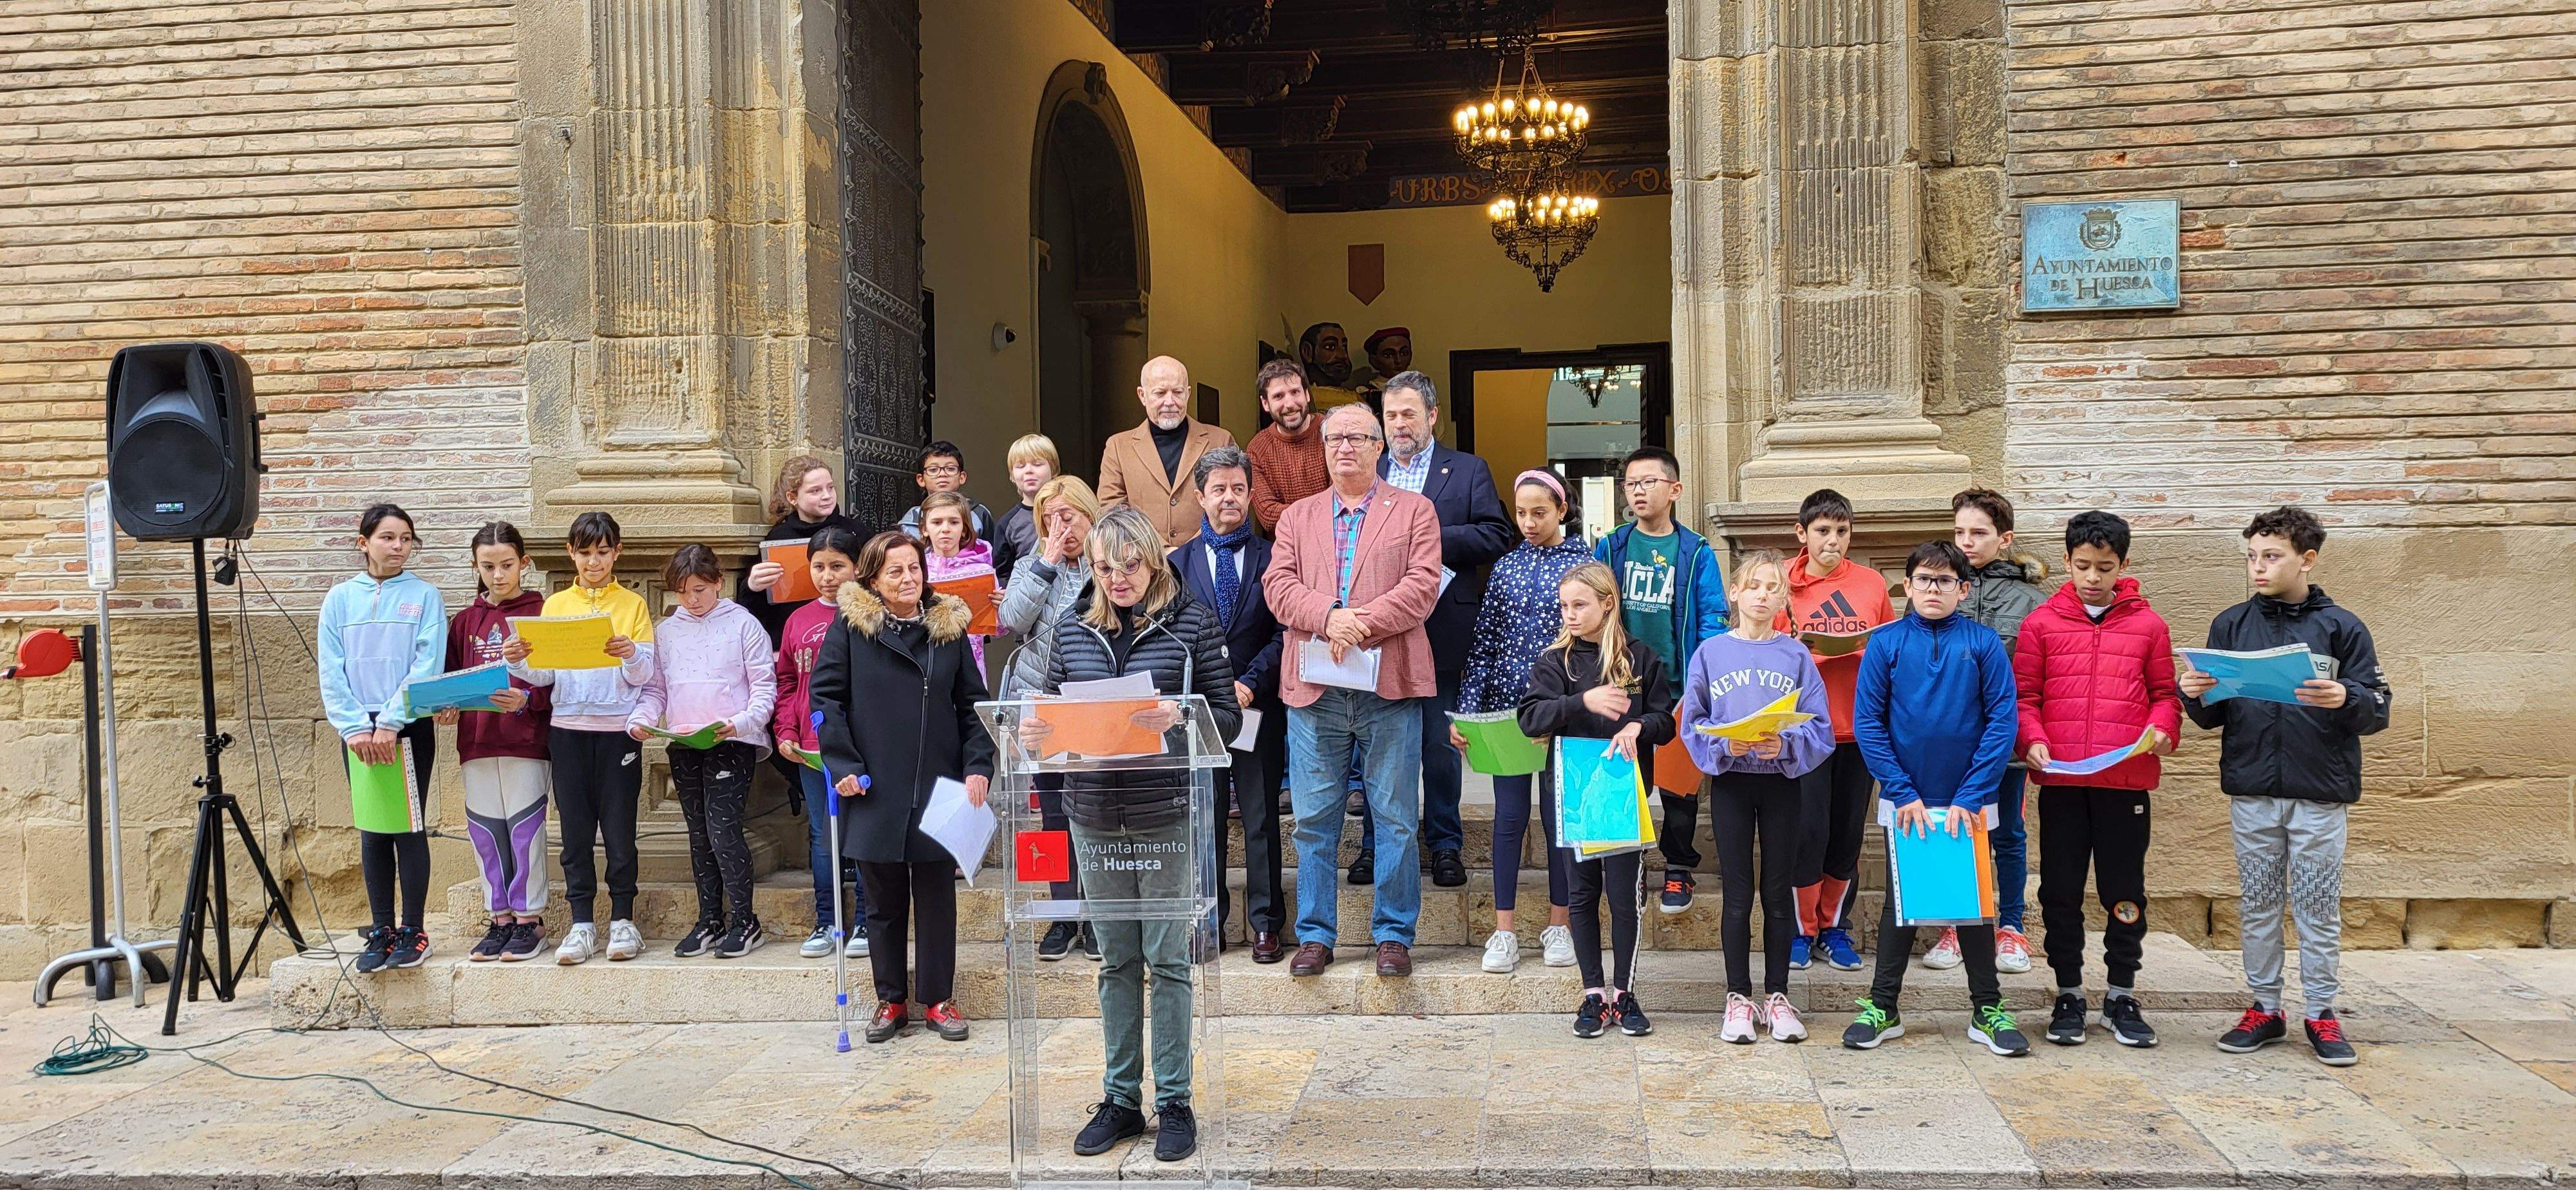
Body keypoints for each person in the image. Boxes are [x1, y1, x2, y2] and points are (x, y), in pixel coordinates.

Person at [1025, 506, 1241, 1165]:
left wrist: (1182, 716)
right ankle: (1120, 1099)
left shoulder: (1191, 625)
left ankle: (1174, 1101)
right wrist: (1035, 732)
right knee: (1115, 960)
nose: (1117, 579)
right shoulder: (1071, 628)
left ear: (1152, 560)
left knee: (1168, 960)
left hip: (1165, 811)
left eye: (1129, 566)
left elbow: (1227, 718)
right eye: (1103, 568)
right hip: (1093, 814)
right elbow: (1047, 715)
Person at [2183, 505, 2391, 1068]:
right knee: (2258, 903)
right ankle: (2265, 1008)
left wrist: (2347, 697)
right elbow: (2213, 715)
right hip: (2252, 790)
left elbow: (2378, 707)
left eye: (2272, 556)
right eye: (2252, 556)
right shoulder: (2231, 625)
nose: (2258, 567)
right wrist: (2193, 692)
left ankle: (2321, 1012)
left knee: (2318, 905)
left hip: (2319, 793)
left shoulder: (2342, 627)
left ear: (2307, 559)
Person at [1264, 402, 1443, 979]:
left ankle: (1393, 934)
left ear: (1378, 447)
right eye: (1334, 438)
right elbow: (1278, 586)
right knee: (1314, 820)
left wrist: (1356, 624)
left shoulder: (1415, 510)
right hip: (1316, 692)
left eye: (1357, 438)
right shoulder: (1297, 517)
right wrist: (1328, 616)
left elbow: (1422, 587)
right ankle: (1316, 934)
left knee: (1395, 818)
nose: (1344, 447)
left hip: (1388, 688)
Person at [1841, 542, 2027, 1058]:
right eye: (1924, 579)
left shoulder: (1983, 643)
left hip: (1970, 801)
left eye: (1945, 581)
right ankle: (1884, 1006)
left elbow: (2002, 721)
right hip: (1907, 802)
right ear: (1908, 585)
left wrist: (1972, 793)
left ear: (1963, 589)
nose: (1933, 589)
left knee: (1973, 905)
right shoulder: (1886, 643)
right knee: (1902, 904)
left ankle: (1987, 1009)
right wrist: (1901, 790)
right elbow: (1868, 723)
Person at [813, 531, 996, 1043]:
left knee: (937, 898)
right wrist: (843, 763)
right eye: (895, 571)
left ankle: (939, 1000)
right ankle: (890, 1000)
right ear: (873, 579)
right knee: (882, 902)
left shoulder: (947, 627)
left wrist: (979, 765)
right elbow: (826, 699)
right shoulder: (851, 628)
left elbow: (972, 707)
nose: (908, 578)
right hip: (873, 784)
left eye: (914, 568)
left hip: (938, 784)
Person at [2014, 511, 2181, 1049]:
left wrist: (2163, 728)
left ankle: (2121, 994)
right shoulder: (2041, 624)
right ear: (2067, 561)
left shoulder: (2149, 627)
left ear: (2123, 565)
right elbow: (2025, 697)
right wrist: (2031, 739)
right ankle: (2067, 992)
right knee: (2060, 890)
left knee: (2124, 891)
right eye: (2083, 565)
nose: (2092, 577)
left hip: (2124, 783)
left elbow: (2165, 695)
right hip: (2063, 782)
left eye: (2104, 568)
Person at [1352, 371, 1512, 889]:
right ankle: (1374, 845)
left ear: (1432, 416)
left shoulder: (1467, 470)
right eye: (1390, 415)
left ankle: (1445, 844)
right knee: (1377, 746)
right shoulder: (1368, 470)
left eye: (1408, 414)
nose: (1399, 424)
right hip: (1377, 632)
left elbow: (1496, 534)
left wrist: (1425, 537)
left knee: (1440, 747)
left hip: (1442, 627)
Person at [1678, 549, 1833, 1043]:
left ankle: (1778, 997)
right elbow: (1692, 722)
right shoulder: (1711, 653)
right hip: (1732, 784)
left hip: (1781, 783)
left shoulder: (1796, 655)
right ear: (1735, 593)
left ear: (1784, 597)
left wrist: (1784, 744)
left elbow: (1821, 728)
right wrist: (1725, 744)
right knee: (1738, 892)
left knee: (1778, 891)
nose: (1763, 595)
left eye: (1773, 587)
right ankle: (1738, 998)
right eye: (1753, 586)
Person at [1519, 561, 1676, 1039]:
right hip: (1571, 794)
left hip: (1621, 794)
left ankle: (1624, 994)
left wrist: (1639, 725)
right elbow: (1530, 718)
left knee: (1625, 897)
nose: (1569, 614)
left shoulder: (1640, 658)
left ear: (1608, 604)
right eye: (1564, 606)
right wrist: (1581, 702)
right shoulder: (1555, 662)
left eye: (1579, 605)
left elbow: (1665, 721)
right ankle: (1592, 994)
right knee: (1582, 894)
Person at [1456, 469, 1591, 974]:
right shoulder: (1506, 567)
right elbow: (1484, 644)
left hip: (1564, 714)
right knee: (1509, 819)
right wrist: (1468, 713)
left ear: (1562, 510)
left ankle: (1561, 924)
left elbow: (1596, 646)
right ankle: (1504, 930)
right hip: (1507, 714)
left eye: (1540, 513)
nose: (1529, 523)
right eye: (1521, 513)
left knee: (1559, 821)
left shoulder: (1585, 566)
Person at [507, 511, 655, 965]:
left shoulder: (633, 605)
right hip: (568, 731)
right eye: (585, 553)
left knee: (619, 830)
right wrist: (517, 660)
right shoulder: (556, 605)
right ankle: (581, 923)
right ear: (570, 553)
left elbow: (645, 675)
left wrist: (630, 655)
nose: (594, 562)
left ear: (617, 553)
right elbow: (544, 674)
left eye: (603, 552)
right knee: (574, 833)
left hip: (618, 734)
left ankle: (623, 920)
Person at [1589, 446, 1729, 914]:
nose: (1638, 491)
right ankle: (1627, 869)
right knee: (1624, 777)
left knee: (1678, 786)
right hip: (1622, 684)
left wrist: (1701, 681)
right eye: (1631, 483)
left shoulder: (1696, 551)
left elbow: (1712, 618)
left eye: (1649, 482)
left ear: (1675, 490)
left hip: (1676, 686)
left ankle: (1678, 868)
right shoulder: (1612, 547)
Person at [1168, 446, 1289, 962]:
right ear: (1200, 496)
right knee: (1207, 816)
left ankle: (1266, 923)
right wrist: (1213, 689)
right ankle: (1208, 921)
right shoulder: (1177, 565)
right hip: (1200, 711)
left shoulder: (1274, 558)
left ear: (1251, 494)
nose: (1229, 498)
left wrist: (1250, 682)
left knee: (1260, 816)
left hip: (1257, 706)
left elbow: (1286, 632)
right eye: (1218, 489)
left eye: (1238, 489)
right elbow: (1170, 640)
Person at [629, 544, 778, 959]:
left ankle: (746, 921)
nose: (691, 599)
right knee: (698, 835)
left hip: (731, 740)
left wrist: (742, 722)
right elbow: (655, 690)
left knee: (723, 830)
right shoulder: (665, 631)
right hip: (684, 742)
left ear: (717, 582)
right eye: (682, 591)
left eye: (699, 589)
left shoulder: (744, 624)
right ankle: (709, 919)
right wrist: (641, 720)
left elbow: (765, 687)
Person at [318, 504, 447, 973]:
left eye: (406, 539)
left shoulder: (425, 596)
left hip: (406, 724)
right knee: (373, 829)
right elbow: (331, 668)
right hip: (357, 729)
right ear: (364, 542)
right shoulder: (339, 599)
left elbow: (427, 664)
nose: (398, 547)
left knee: (407, 826)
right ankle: (381, 929)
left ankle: (413, 931)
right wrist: (355, 726)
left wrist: (392, 721)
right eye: (388, 538)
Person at [1780, 488, 1895, 972]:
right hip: (1804, 730)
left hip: (1858, 728)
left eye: (1842, 531)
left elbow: (1890, 648)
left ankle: (1834, 928)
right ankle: (1800, 930)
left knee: (1847, 834)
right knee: (1807, 832)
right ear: (1802, 534)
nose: (1833, 540)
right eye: (1823, 531)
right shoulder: (1781, 583)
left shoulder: (1871, 583)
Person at [1938, 487, 2047, 975]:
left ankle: (2011, 927)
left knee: (2008, 833)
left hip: (2005, 740)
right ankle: (1956, 924)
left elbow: (2039, 675)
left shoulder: (2033, 601)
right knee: (1954, 829)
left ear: (2004, 539)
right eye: (1959, 532)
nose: (1966, 542)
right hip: (1948, 739)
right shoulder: (1939, 587)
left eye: (1978, 533)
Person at [998, 474, 1105, 961]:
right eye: (1050, 519)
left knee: (1097, 813)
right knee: (1055, 816)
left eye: (1069, 516)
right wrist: (1046, 563)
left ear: (1090, 515)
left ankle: (1099, 917)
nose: (1061, 527)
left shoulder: (1107, 562)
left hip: (1092, 706)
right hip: (1040, 707)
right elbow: (1013, 621)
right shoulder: (1030, 564)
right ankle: (1063, 915)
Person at [440, 521, 553, 963]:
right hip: (477, 743)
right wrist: (446, 708)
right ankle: (500, 917)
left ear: (524, 563)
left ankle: (529, 921)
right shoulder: (464, 621)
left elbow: (558, 681)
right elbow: (451, 679)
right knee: (486, 833)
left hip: (526, 741)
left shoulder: (541, 613)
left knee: (525, 831)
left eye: (507, 564)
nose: (499, 575)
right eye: (488, 567)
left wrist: (528, 700)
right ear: (475, 567)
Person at [774, 525, 870, 961]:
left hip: (858, 746)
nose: (828, 576)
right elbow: (786, 681)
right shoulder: (798, 619)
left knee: (862, 830)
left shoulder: (868, 614)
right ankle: (827, 921)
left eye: (838, 566)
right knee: (822, 834)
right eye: (819, 567)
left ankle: (866, 920)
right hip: (810, 747)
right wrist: (786, 730)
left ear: (857, 568)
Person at [1097, 355, 1238, 549]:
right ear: (1142, 395)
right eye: (1160, 393)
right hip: (1144, 559)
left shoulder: (1220, 441)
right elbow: (1112, 510)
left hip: (1208, 555)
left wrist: (1191, 552)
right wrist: (1159, 550)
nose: (1170, 402)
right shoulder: (1118, 447)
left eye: (1178, 392)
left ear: (1188, 393)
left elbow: (1232, 502)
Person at [741, 455, 867, 643]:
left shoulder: (856, 531)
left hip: (849, 633)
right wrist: (752, 585)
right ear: (793, 498)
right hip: (796, 637)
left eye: (830, 487)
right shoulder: (778, 538)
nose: (827, 496)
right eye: (815, 491)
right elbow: (758, 608)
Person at [918, 491, 1000, 670]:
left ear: (964, 529)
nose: (945, 529)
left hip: (971, 663)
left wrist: (1001, 607)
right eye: (937, 522)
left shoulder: (981, 571)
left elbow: (998, 630)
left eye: (954, 522)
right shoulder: (917, 570)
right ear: (925, 529)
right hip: (926, 662)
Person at [1246, 359, 1327, 534]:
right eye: (1278, 396)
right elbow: (1268, 516)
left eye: (1295, 392)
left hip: (1339, 542)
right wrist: (1323, 510)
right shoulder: (1257, 449)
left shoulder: (1332, 432)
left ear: (1307, 395)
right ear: (1265, 403)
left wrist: (1289, 513)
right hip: (1287, 548)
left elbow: (1346, 500)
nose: (1290, 404)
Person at [898, 441, 1002, 571]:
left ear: (962, 477)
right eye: (933, 470)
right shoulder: (910, 520)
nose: (942, 474)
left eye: (951, 469)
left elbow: (993, 556)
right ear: (921, 479)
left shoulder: (979, 513)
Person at [993, 433, 1059, 588]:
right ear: (1012, 475)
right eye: (1020, 466)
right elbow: (1003, 574)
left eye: (1038, 464)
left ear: (1054, 469)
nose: (1029, 471)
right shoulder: (1007, 524)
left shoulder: (1069, 511)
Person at [1297, 321, 1365, 411]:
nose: (1343, 355)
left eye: (1344, 347)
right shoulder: (1303, 399)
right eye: (1330, 347)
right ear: (1308, 352)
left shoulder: (1356, 399)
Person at [1353, 326, 1412, 402]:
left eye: (1404, 353)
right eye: (1388, 355)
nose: (1398, 360)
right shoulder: (1370, 393)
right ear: (1374, 360)